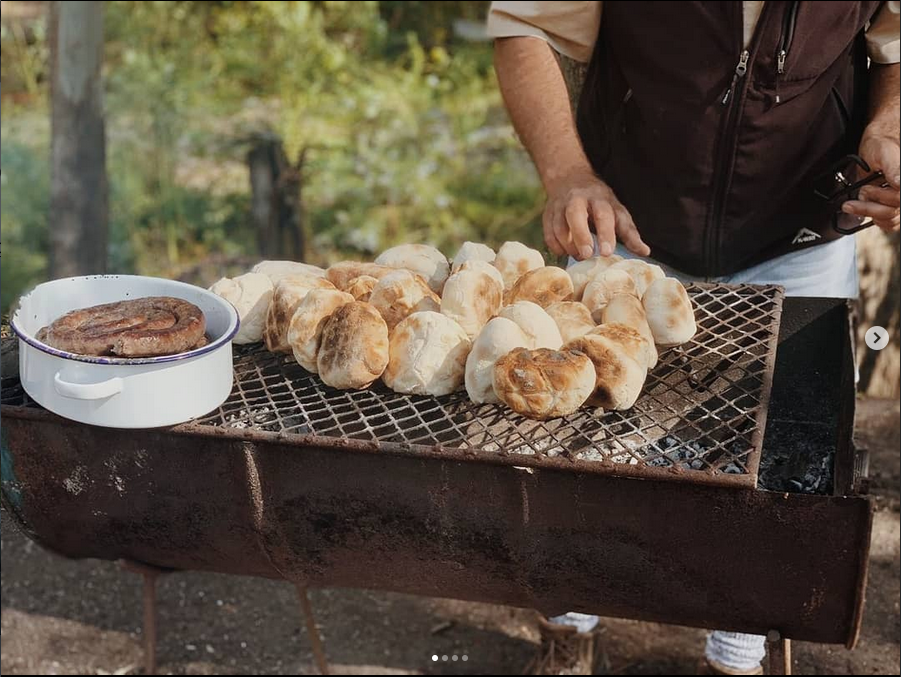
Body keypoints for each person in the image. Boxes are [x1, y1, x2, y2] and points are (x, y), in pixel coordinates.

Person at [488, 1, 899, 674]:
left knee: (777, 455)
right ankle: (569, 625)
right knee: (578, 436)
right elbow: (524, 23)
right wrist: (566, 173)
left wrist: (890, 122)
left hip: (805, 225)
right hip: (624, 219)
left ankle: (734, 654)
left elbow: (893, 43)